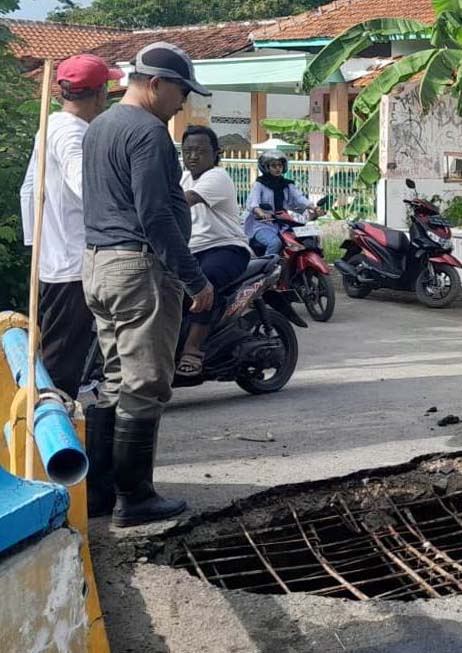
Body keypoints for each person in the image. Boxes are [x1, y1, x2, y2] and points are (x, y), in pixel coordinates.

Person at [81, 41, 213, 527]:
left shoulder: (101, 126)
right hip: (138, 270)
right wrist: (194, 277)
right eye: (181, 91)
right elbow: (155, 215)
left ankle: (98, 492)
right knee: (146, 384)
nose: (184, 103)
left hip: (98, 265)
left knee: (115, 379)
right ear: (155, 84)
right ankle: (134, 498)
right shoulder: (148, 134)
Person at [19, 55, 123, 400]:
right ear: (98, 94)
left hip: (54, 258)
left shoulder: (50, 125)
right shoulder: (75, 134)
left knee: (60, 351)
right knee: (63, 358)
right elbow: (87, 186)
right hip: (74, 262)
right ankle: (53, 435)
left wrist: (38, 245)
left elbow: (29, 191)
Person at [177, 125, 251, 377]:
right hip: (192, 250)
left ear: (216, 154)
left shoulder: (217, 177)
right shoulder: (184, 177)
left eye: (200, 151)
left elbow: (181, 201)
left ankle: (192, 350)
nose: (193, 156)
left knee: (202, 283)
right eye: (187, 151)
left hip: (226, 247)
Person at [243, 150, 323, 255]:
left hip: (283, 223)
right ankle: (267, 268)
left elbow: (299, 198)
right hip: (263, 224)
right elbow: (253, 203)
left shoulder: (287, 184)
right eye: (273, 166)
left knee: (307, 239)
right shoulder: (260, 184)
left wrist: (314, 208)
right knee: (275, 244)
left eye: (280, 165)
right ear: (267, 167)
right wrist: (261, 213)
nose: (277, 168)